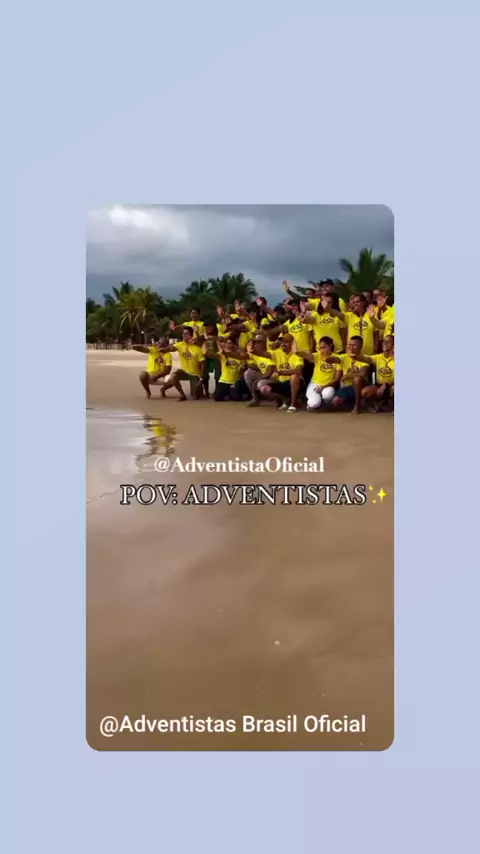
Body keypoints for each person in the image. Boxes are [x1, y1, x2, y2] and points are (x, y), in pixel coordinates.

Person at [258, 334, 304, 411]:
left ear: (292, 343)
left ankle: (292, 404)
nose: (283, 344)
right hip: (281, 382)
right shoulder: (277, 353)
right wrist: (253, 349)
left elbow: (298, 370)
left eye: (286, 342)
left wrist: (280, 373)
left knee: (294, 376)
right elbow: (262, 353)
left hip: (295, 383)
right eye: (282, 342)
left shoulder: (297, 355)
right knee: (263, 386)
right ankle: (286, 401)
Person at [324, 336, 370, 414]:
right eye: (350, 345)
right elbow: (335, 359)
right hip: (347, 387)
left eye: (354, 345)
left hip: (361, 386)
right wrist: (329, 359)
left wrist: (347, 376)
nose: (351, 347)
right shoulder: (344, 357)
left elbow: (363, 373)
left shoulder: (364, 358)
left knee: (357, 379)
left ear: (360, 346)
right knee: (336, 401)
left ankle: (357, 407)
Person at [295, 336, 342, 411]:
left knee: (328, 395)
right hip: (315, 384)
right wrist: (297, 351)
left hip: (328, 385)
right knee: (314, 403)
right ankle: (315, 403)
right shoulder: (317, 355)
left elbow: (337, 378)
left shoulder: (336, 358)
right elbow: (307, 355)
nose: (322, 350)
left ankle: (324, 404)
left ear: (330, 345)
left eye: (324, 347)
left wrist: (324, 386)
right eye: (320, 348)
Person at [160, 327, 204, 401]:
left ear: (191, 335)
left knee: (195, 397)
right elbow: (170, 348)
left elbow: (202, 363)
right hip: (183, 372)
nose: (184, 335)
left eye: (186, 333)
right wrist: (162, 349)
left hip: (195, 374)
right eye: (183, 333)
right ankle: (182, 395)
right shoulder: (180, 345)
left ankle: (198, 390)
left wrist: (201, 377)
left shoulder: (197, 347)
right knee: (174, 376)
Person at [359, 335, 395, 412]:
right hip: (379, 385)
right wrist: (354, 355)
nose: (385, 343)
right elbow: (365, 358)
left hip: (392, 385)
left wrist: (386, 384)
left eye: (388, 342)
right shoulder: (378, 357)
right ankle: (376, 405)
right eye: (384, 341)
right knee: (364, 392)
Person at [244, 337, 277, 407]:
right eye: (255, 343)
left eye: (258, 343)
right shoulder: (256, 354)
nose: (255, 345)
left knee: (260, 383)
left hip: (274, 377)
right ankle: (256, 399)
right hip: (264, 376)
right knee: (248, 373)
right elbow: (241, 356)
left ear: (264, 344)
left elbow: (269, 372)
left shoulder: (270, 354)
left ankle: (276, 398)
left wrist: (257, 380)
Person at [201, 322, 222, 398]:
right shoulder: (202, 336)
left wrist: (217, 355)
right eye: (206, 327)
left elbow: (220, 347)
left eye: (210, 326)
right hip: (206, 357)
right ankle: (206, 392)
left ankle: (217, 391)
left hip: (215, 357)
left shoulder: (216, 336)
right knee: (204, 374)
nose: (208, 328)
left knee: (217, 375)